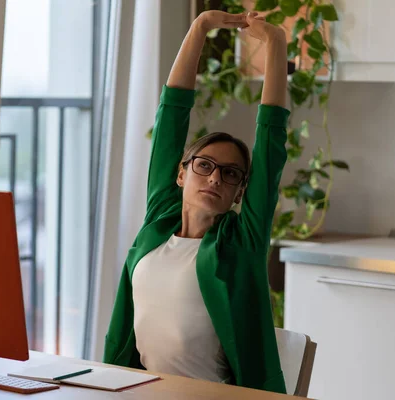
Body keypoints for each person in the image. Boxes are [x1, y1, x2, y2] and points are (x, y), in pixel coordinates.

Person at [104, 10, 289, 393]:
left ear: (240, 192)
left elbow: (271, 139)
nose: (216, 177)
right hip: (143, 389)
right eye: (204, 165)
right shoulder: (159, 219)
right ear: (181, 174)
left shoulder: (242, 242)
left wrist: (276, 43)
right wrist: (199, 26)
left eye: (231, 173)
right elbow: (170, 114)